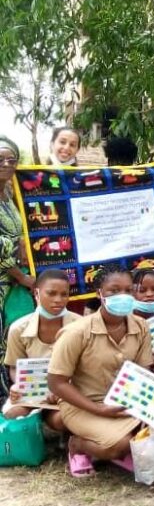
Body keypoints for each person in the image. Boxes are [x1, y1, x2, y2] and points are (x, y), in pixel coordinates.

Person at [47, 265, 154, 476]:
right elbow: (56, 382)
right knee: (118, 444)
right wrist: (99, 410)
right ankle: (78, 445)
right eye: (114, 291)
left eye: (128, 290)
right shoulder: (77, 333)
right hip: (84, 405)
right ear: (99, 293)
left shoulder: (141, 327)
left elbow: (142, 373)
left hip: (125, 401)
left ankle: (124, 449)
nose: (122, 296)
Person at [3, 270, 81, 431]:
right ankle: (38, 428)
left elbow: (87, 367)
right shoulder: (18, 328)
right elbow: (14, 367)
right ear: (37, 293)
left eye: (64, 294)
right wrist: (19, 385)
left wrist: (64, 389)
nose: (58, 300)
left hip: (71, 390)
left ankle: (64, 433)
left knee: (62, 419)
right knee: (13, 413)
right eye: (51, 293)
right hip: (33, 391)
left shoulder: (80, 325)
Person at [0, 137, 35, 397]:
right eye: (0, 159)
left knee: (10, 335)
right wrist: (21, 278)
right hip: (6, 277)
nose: (6, 164)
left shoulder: (10, 194)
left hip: (12, 279)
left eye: (11, 160)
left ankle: (9, 392)